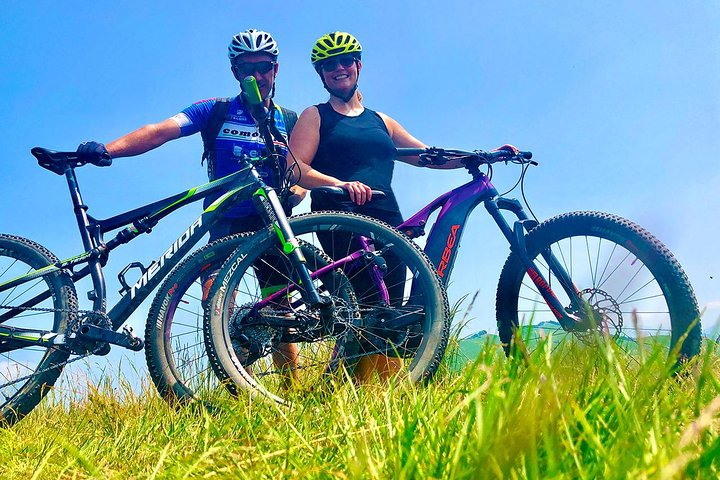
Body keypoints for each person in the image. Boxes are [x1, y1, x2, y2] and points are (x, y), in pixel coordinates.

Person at [288, 31, 516, 380]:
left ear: (358, 66)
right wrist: (340, 183)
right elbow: (296, 169)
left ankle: (378, 393)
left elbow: (427, 157)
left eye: (345, 61)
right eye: (329, 65)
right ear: (321, 74)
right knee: (365, 303)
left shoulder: (382, 121)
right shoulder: (315, 116)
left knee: (390, 309)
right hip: (341, 218)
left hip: (388, 219)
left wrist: (481, 155)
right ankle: (355, 387)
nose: (338, 68)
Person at [76, 28, 302, 379]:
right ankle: (240, 388)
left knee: (280, 308)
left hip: (271, 224)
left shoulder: (289, 120)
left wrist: (297, 193)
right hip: (225, 221)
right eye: (246, 68)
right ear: (234, 72)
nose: (256, 75)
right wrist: (109, 149)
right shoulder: (215, 110)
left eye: (264, 67)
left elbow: (302, 171)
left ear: (276, 69)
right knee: (217, 304)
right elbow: (160, 130)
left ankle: (292, 392)